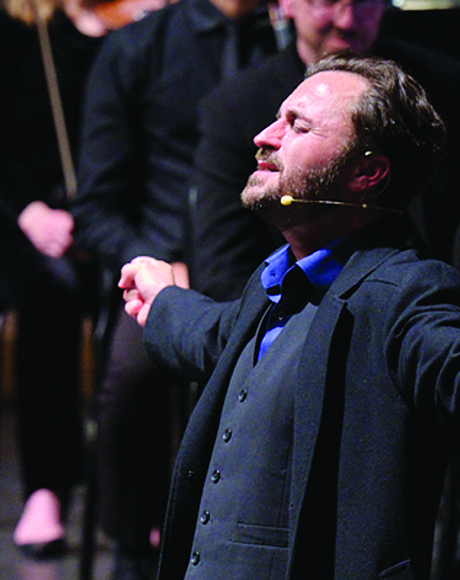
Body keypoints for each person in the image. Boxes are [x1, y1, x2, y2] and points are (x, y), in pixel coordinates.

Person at [117, 54, 460, 580]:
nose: (265, 135)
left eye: (297, 125)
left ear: (367, 173)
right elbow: (214, 336)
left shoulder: (401, 290)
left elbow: (455, 359)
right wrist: (162, 299)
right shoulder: (271, 285)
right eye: (279, 118)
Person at [71, 0, 278, 576]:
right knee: (134, 373)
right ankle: (134, 550)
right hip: (168, 265)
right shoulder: (137, 48)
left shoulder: (290, 43)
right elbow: (96, 205)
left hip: (267, 267)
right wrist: (159, 269)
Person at [187, 0, 460, 301]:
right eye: (327, 0)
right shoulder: (235, 108)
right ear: (284, 4)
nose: (348, 20)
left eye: (364, 0)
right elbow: (223, 269)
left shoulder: (444, 84)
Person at [0, 0, 165, 559]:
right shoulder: (13, 30)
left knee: (145, 304)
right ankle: (47, 489)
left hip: (123, 220)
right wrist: (31, 213)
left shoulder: (143, 26)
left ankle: (132, 495)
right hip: (36, 222)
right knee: (49, 295)